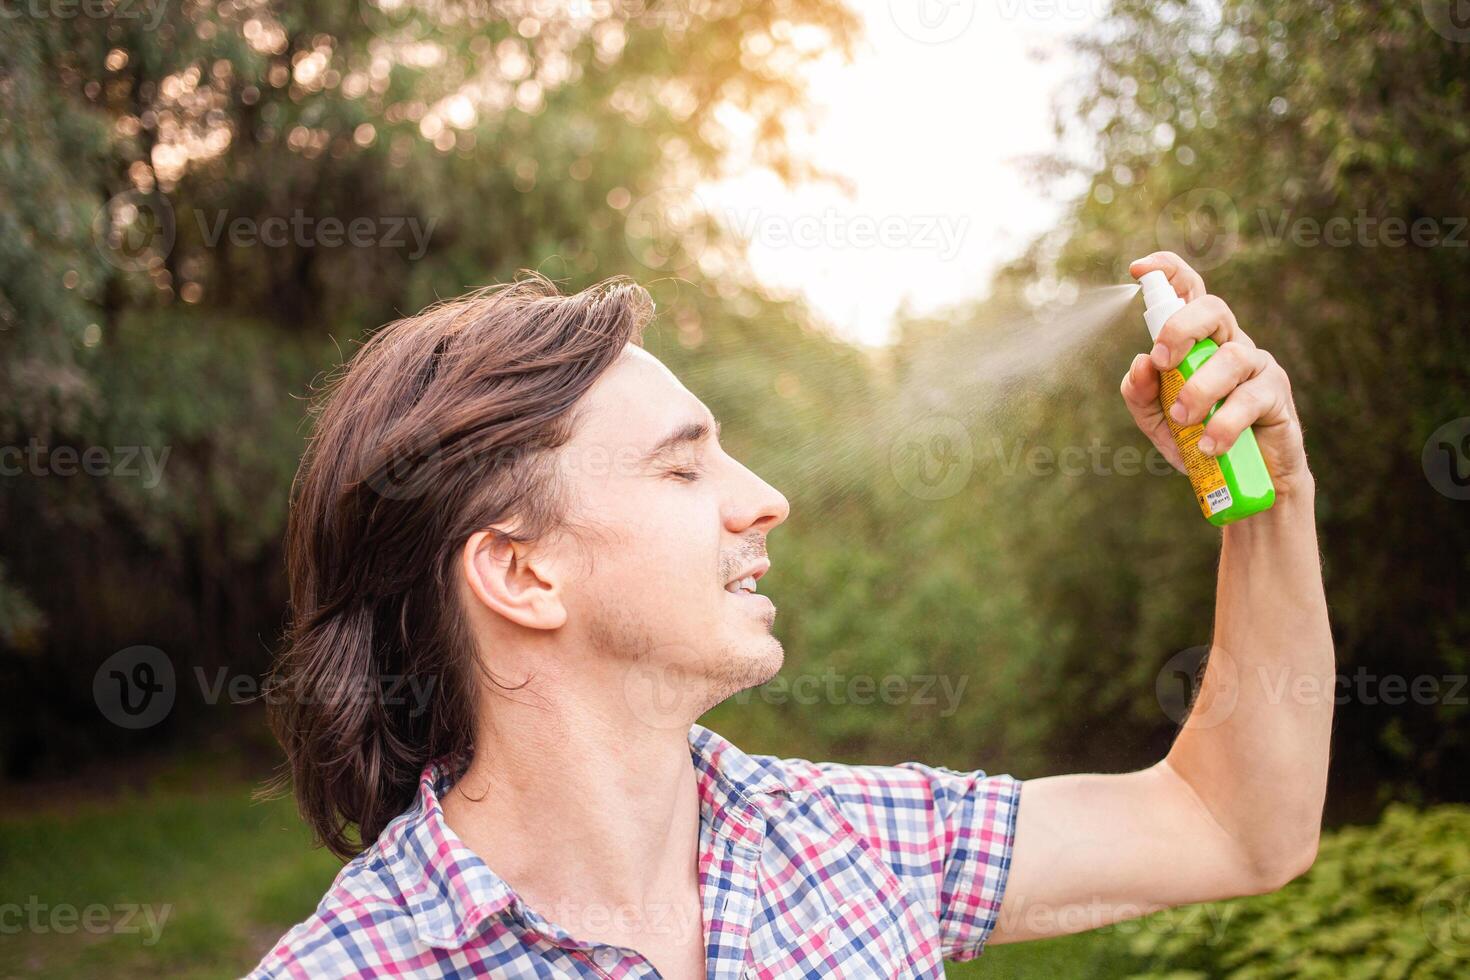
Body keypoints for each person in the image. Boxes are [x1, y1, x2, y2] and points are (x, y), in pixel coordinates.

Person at [249, 252, 1331, 979]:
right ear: (523, 575)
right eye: (683, 469)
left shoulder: (857, 841)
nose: (766, 495)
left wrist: (1271, 503)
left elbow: (1234, 822)